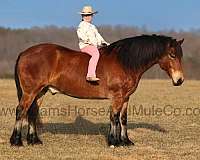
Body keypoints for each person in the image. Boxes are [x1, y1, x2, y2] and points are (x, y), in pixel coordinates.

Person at [77, 5, 110, 82]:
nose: (87, 17)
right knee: (96, 54)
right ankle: (90, 75)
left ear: (92, 16)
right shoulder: (81, 25)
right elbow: (80, 35)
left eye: (89, 15)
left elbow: (98, 37)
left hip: (93, 46)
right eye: (85, 15)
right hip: (86, 46)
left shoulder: (93, 27)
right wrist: (88, 41)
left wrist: (104, 43)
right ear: (82, 16)